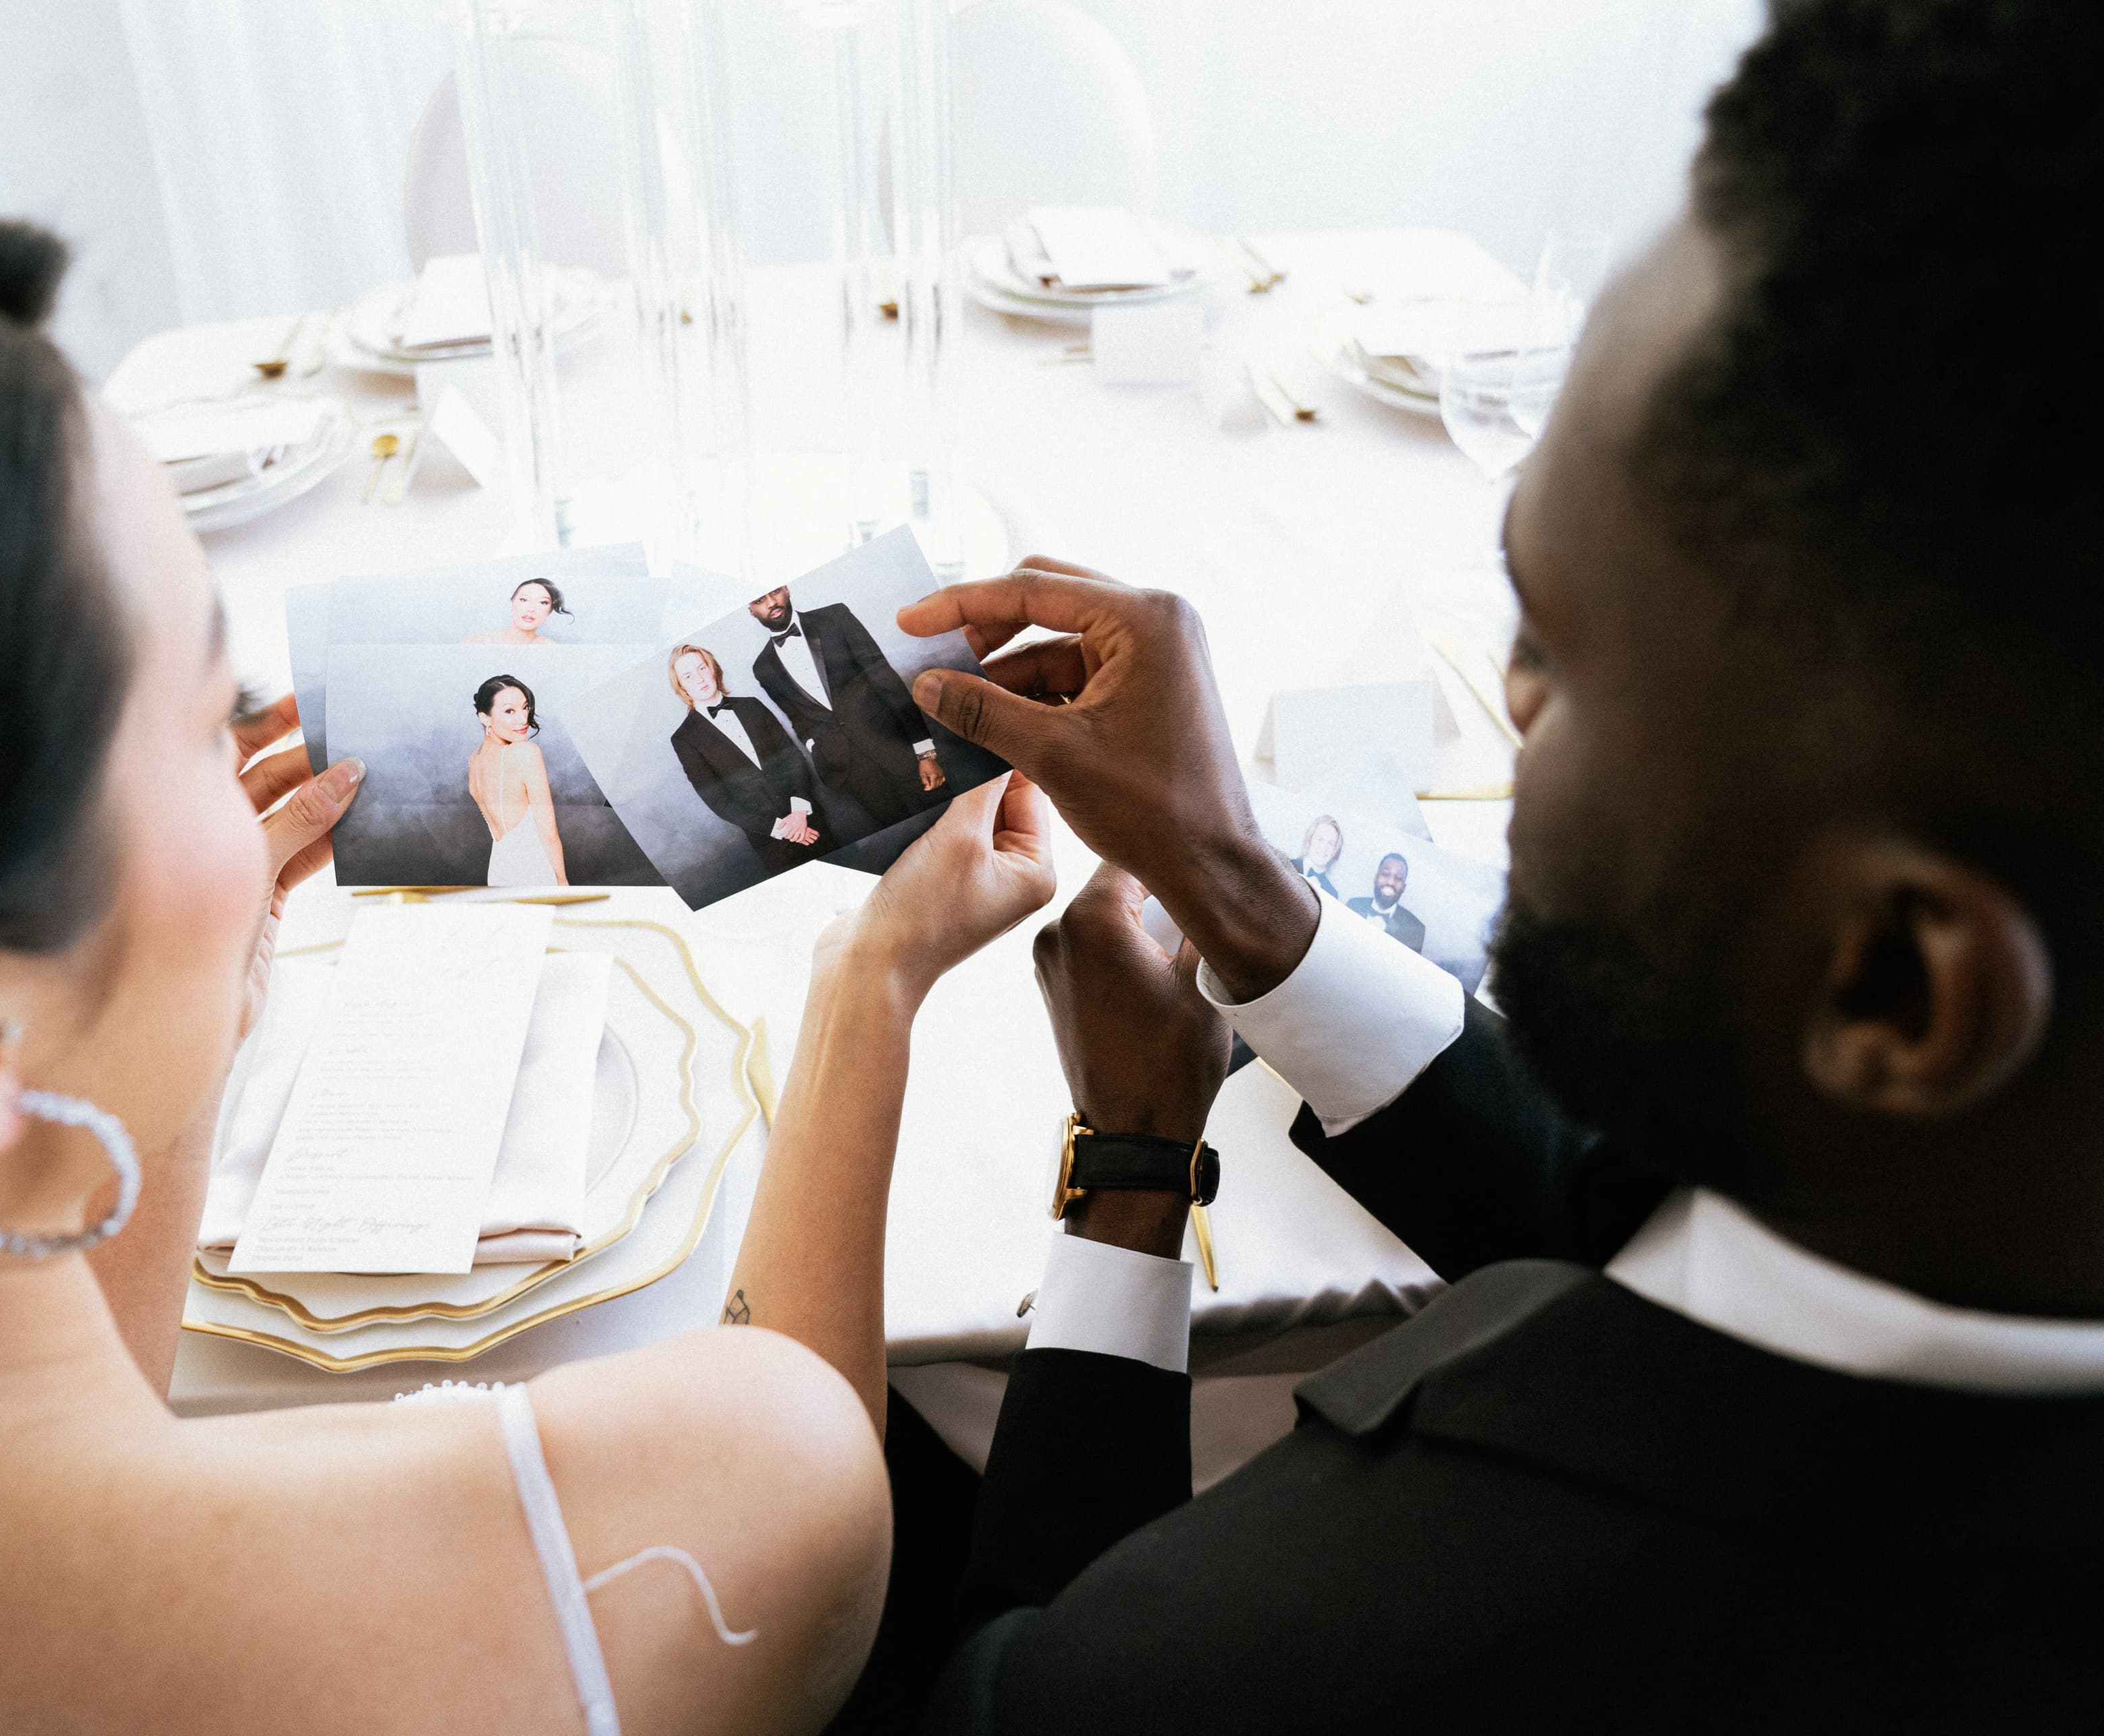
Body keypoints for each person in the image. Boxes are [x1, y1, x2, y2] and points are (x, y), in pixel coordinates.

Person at [0, 134, 1074, 1736]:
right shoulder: (670, 1522)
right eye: (198, 717)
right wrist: (868, 979)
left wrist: (150, 1037)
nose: (259, 743)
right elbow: (804, 1423)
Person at [866, 1, 2104, 1724]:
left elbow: (1026, 1669)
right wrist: (1244, 893)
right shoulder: (1962, 1184)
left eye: (1561, 650)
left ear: (1896, 979)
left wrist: (1133, 1168)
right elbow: (1661, 1213)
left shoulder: (1275, 1664)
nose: (1507, 697)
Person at [748, 585, 947, 844]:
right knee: (906, 843)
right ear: (751, 610)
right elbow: (798, 719)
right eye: (760, 600)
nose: (772, 603)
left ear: (785, 589)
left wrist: (924, 751)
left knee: (951, 819)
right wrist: (816, 747)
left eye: (774, 593)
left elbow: (884, 677)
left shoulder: (835, 618)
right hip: (849, 770)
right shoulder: (763, 667)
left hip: (897, 747)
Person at [667, 643, 827, 876]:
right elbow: (718, 800)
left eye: (702, 669)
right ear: (681, 686)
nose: (699, 679)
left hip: (810, 820)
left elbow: (792, 757)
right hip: (772, 842)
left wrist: (800, 813)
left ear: (714, 669)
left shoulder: (753, 705)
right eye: (688, 676)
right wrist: (784, 829)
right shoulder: (684, 739)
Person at [467, 673, 566, 886]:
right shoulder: (525, 753)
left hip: (498, 871)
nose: (523, 720)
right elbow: (549, 834)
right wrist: (562, 881)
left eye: (525, 708)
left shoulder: (475, 760)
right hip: (534, 867)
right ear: (485, 717)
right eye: (509, 711)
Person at [1345, 851, 1424, 952]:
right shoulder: (1353, 905)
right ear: (1375, 878)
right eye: (1386, 874)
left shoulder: (1415, 930)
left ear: (1404, 888)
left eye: (1399, 878)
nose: (1391, 882)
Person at [461, 576, 571, 646]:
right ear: (512, 603)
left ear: (550, 611)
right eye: (524, 600)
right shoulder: (477, 642)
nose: (531, 609)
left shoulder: (552, 648)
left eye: (543, 603)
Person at [1289, 814, 1344, 899]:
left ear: (1335, 851)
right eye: (1320, 839)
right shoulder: (1287, 866)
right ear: (1309, 839)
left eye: (1331, 844)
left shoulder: (1332, 894)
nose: (1324, 847)